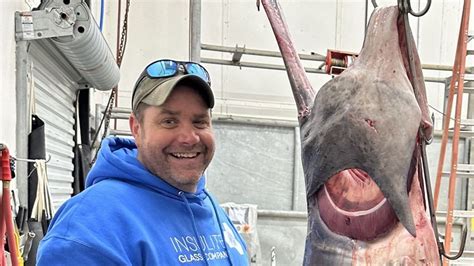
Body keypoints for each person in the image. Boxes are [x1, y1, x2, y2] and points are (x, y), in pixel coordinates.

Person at [37, 59, 249, 265]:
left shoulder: (207, 204)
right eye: (169, 121)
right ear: (136, 128)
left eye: (199, 122)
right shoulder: (90, 227)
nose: (189, 137)